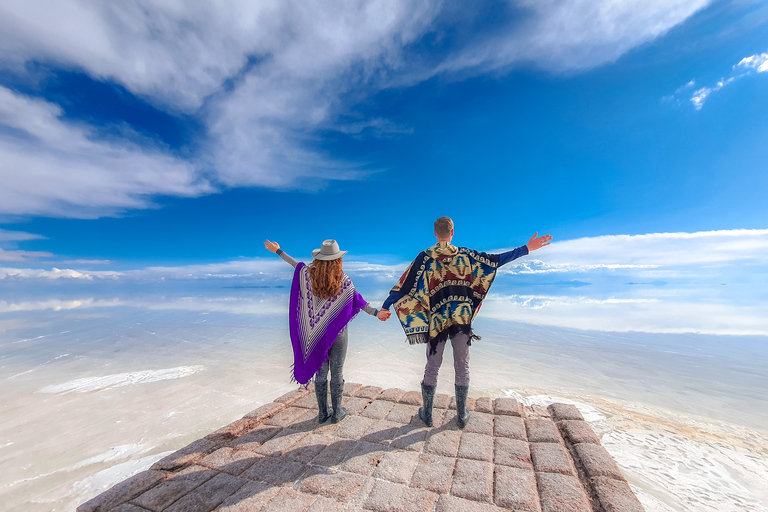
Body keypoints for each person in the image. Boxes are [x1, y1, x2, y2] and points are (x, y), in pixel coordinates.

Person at [377, 217, 552, 428]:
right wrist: (526, 248)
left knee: (433, 365)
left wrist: (386, 307)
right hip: (461, 320)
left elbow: (404, 287)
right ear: (452, 233)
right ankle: (461, 416)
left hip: (438, 323)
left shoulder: (424, 258)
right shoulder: (467, 255)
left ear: (435, 234)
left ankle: (428, 415)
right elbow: (495, 260)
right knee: (462, 366)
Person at [265, 239, 380, 424]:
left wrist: (278, 251)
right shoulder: (343, 280)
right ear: (338, 260)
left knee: (321, 372)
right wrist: (376, 313)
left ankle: (322, 413)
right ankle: (336, 413)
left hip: (316, 336)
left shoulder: (308, 275)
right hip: (338, 333)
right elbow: (358, 300)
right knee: (337, 372)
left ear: (318, 259)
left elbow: (295, 264)